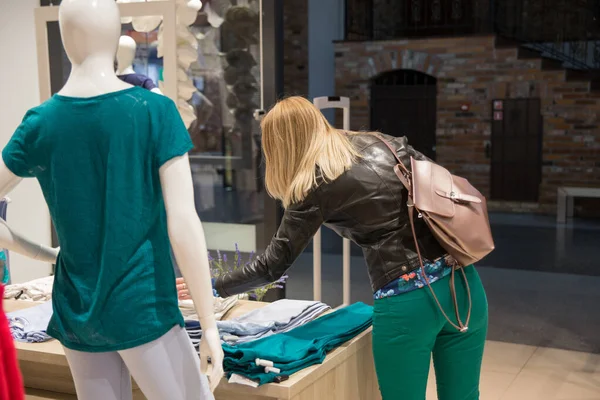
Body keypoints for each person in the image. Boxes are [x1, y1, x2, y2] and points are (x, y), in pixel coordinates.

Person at [177, 96, 489, 400]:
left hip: (407, 302)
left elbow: (273, 265)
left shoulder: (313, 182)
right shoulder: (384, 142)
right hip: (463, 284)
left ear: (280, 146)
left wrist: (211, 286)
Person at [0, 0, 222, 399]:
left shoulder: (40, 122)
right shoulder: (154, 111)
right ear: (113, 33)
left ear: (67, 39)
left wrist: (43, 254)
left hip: (77, 309)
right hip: (142, 307)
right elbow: (183, 221)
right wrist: (209, 322)